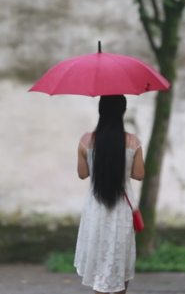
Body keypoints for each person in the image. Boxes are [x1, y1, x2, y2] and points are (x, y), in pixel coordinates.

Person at [74, 95, 145, 294]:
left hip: (96, 208)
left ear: (100, 110)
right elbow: (139, 174)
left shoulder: (86, 140)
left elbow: (82, 174)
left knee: (99, 259)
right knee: (119, 258)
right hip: (121, 209)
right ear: (123, 112)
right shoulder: (132, 141)